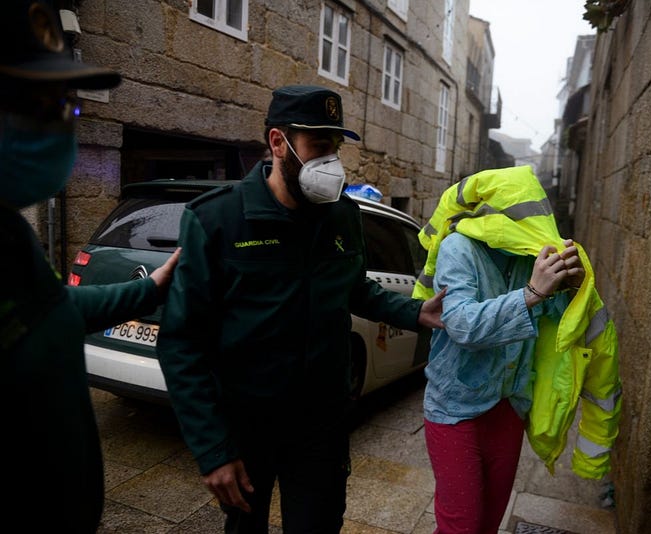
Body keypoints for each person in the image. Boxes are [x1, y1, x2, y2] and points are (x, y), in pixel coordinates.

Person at [156, 84, 445, 533]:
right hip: (247, 426)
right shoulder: (217, 220)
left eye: (335, 147)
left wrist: (416, 312)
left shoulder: (343, 216)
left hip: (321, 426)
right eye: (318, 146)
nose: (331, 161)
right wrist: (213, 449)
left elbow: (355, 290)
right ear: (278, 142)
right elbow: (180, 342)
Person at [0, 2, 181, 532]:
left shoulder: (9, 235)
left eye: (65, 105)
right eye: (33, 103)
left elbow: (56, 307)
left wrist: (155, 285)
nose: (60, 125)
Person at [412, 165, 621, 533]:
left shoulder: (532, 256)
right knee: (462, 524)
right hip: (453, 410)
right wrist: (531, 293)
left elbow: (560, 329)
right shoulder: (457, 248)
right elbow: (460, 323)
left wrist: (572, 290)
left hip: (509, 408)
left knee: (490, 521)